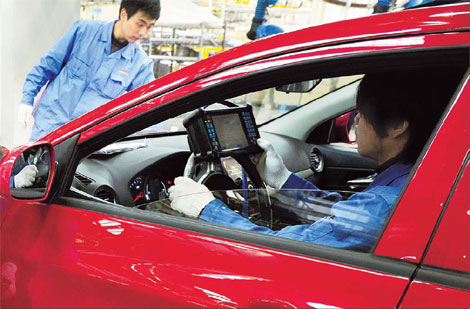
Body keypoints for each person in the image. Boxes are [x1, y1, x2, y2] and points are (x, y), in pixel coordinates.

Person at [167, 69, 462, 250]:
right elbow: (347, 218)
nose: (355, 121)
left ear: (397, 126)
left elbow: (285, 249)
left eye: (361, 113)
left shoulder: (384, 204)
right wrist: (284, 180)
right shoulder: (408, 179)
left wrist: (207, 210)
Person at [18, 0, 161, 141]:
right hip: (49, 124)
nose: (143, 32)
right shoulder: (84, 30)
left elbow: (150, 104)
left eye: (149, 27)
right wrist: (27, 99)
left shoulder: (140, 64)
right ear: (124, 14)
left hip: (85, 139)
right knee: (37, 164)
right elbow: (48, 65)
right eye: (140, 24)